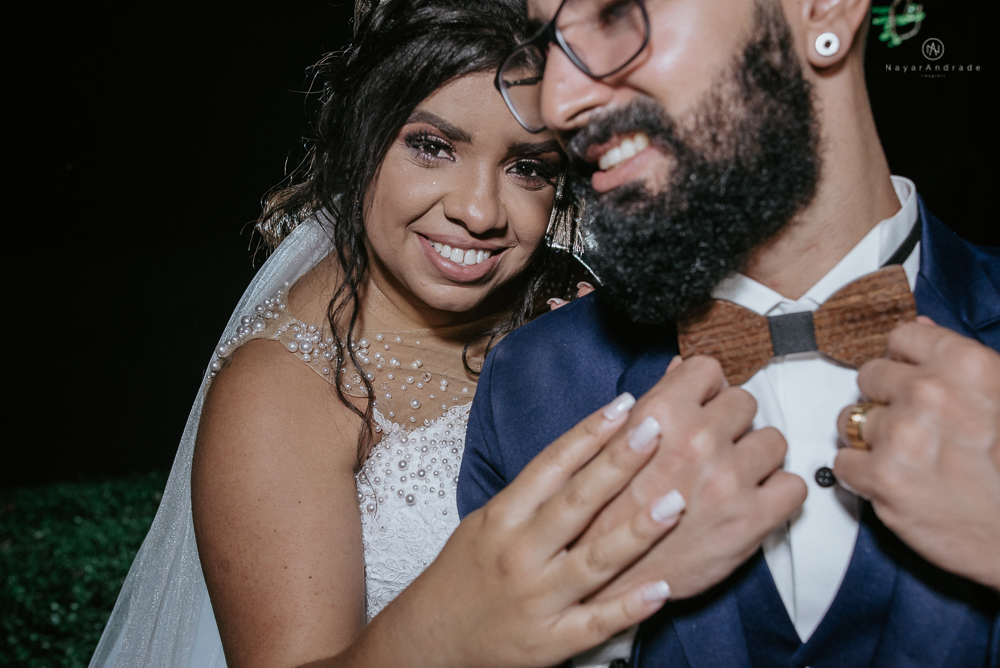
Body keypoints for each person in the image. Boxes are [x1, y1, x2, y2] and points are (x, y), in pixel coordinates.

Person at [87, 1, 709, 667]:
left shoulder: (576, 323)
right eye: (433, 147)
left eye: (528, 167)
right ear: (361, 140)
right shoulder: (284, 393)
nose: (478, 211)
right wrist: (453, 621)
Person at [459, 0, 1000, 666]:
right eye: (544, 53)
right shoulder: (528, 387)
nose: (559, 102)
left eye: (616, 12)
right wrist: (600, 607)